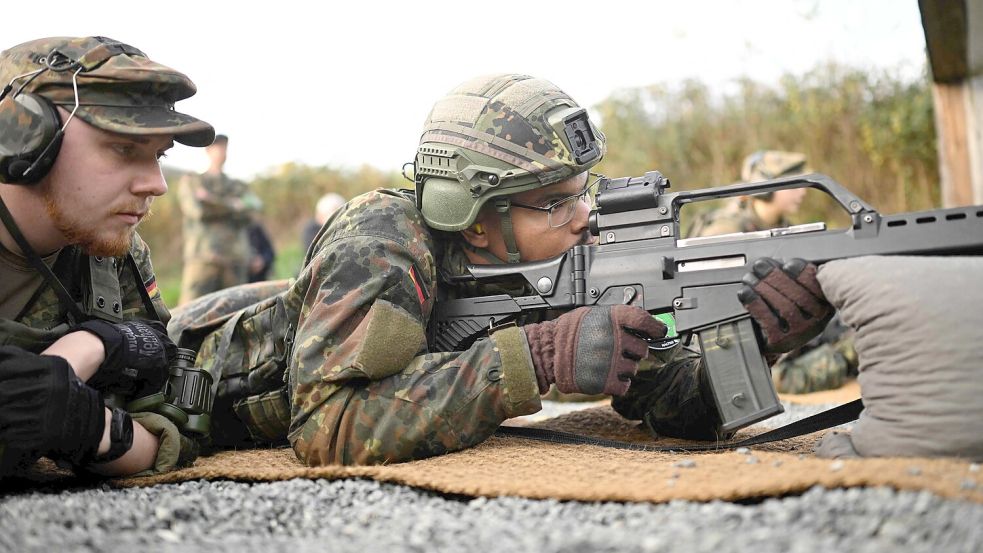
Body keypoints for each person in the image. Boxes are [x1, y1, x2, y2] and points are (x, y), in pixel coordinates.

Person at [168, 74, 830, 466]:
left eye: (583, 190)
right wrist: (532, 359)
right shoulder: (384, 238)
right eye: (555, 201)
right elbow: (326, 427)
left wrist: (756, 336)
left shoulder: (559, 255)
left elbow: (665, 396)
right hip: (183, 384)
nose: (584, 216)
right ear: (474, 219)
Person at [0, 36, 214, 476]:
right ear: (20, 137)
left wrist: (89, 415)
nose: (157, 184)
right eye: (123, 148)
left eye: (158, 155)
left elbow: (177, 414)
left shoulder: (110, 253)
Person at [687, 150, 857, 394]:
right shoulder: (725, 231)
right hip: (740, 339)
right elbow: (712, 307)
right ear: (765, 188)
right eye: (794, 185)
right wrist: (845, 355)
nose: (802, 192)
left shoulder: (785, 228)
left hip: (780, 323)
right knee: (775, 376)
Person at [177, 134, 260, 304]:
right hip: (203, 259)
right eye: (218, 147)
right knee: (190, 311)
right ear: (208, 151)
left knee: (235, 311)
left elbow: (251, 211)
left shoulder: (238, 185)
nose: (222, 152)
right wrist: (233, 205)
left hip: (234, 260)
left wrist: (210, 199)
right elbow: (198, 210)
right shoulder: (193, 181)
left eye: (225, 147)